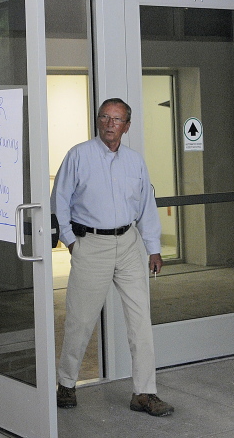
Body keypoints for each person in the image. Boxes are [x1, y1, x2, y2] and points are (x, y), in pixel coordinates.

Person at [50, 98, 174, 417]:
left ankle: (145, 393)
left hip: (130, 243)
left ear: (126, 126)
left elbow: (146, 204)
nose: (109, 123)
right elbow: (59, 200)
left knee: (140, 320)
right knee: (80, 319)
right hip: (91, 244)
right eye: (104, 117)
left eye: (116, 119)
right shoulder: (78, 155)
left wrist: (153, 247)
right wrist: (70, 241)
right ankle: (66, 384)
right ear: (98, 121)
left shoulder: (135, 162)